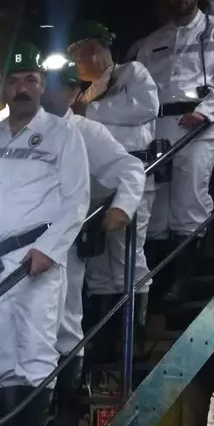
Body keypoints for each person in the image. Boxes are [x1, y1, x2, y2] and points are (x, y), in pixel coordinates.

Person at [0, 42, 90, 426]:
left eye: (30, 81)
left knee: (36, 352)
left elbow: (77, 200)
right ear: (3, 88)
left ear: (42, 86)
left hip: (35, 257)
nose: (21, 89)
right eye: (14, 81)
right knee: (0, 354)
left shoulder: (62, 134)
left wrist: (50, 249)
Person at [41, 58, 147, 426]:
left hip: (64, 244)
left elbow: (131, 169)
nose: (52, 92)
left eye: (62, 86)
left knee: (64, 324)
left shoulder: (87, 133)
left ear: (75, 93)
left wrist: (121, 207)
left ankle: (66, 408)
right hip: (15, 249)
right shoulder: (16, 132)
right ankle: (25, 418)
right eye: (47, 83)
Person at [135, 0, 214, 303]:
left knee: (189, 203)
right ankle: (158, 284)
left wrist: (205, 112)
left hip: (196, 124)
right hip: (157, 127)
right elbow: (140, 90)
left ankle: (184, 282)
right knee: (156, 211)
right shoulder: (151, 42)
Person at [68, 20, 161, 364]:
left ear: (93, 50)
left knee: (127, 257)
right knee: (100, 266)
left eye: (78, 55)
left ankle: (132, 337)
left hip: (130, 176)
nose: (78, 64)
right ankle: (106, 336)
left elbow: (147, 107)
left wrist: (92, 111)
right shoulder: (85, 92)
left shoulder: (132, 73)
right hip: (96, 184)